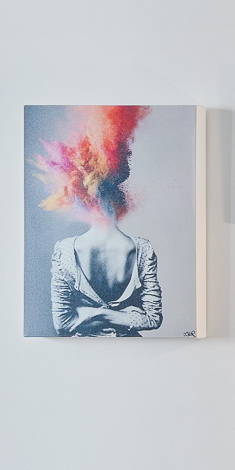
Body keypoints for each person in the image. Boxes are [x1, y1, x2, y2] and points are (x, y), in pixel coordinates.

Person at [33, 106, 164, 338]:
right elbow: (151, 318)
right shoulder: (142, 249)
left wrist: (92, 315)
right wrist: (124, 316)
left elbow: (63, 324)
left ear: (82, 194)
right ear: (120, 195)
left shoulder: (64, 251)